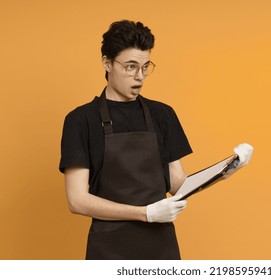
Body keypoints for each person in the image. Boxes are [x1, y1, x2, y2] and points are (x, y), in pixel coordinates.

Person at [59, 20, 253, 260]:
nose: (139, 76)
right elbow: (77, 201)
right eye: (130, 67)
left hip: (161, 248)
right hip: (108, 250)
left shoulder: (162, 115)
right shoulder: (81, 120)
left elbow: (177, 184)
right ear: (107, 63)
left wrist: (226, 169)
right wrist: (146, 213)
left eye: (145, 67)